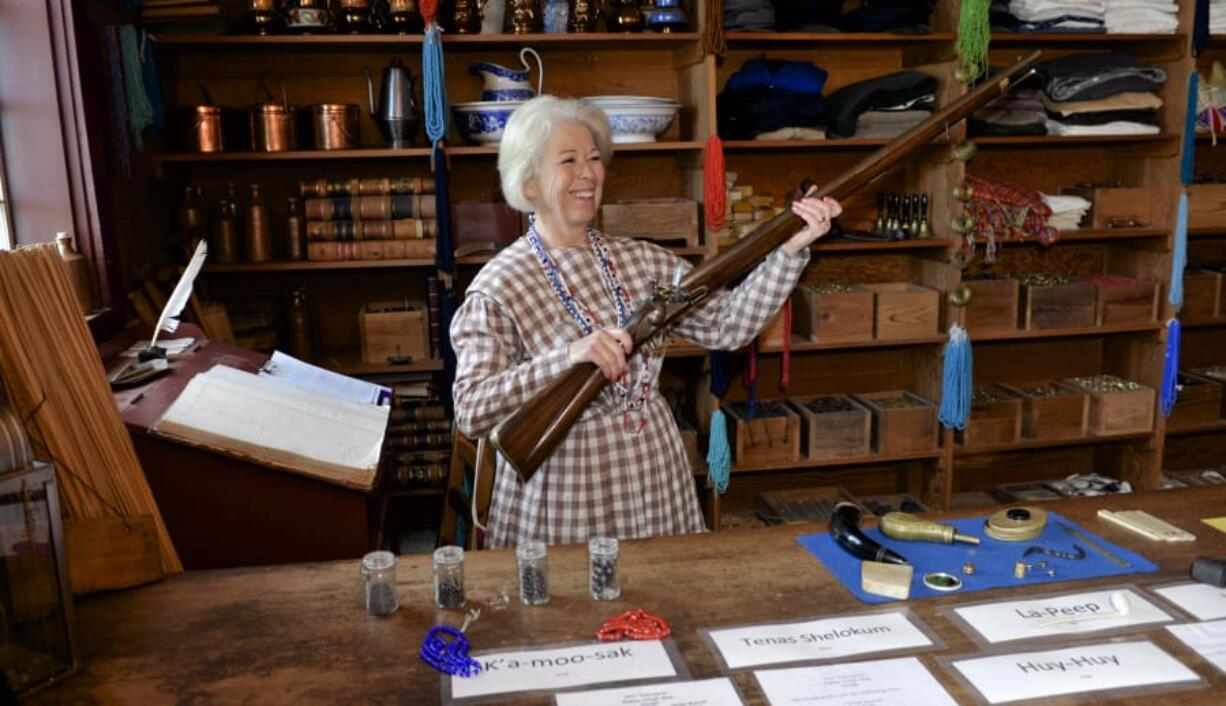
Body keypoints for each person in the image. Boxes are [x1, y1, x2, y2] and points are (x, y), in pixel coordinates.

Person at [451, 95, 841, 548]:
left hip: (655, 478)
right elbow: (473, 408)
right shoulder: (498, 285)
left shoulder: (641, 260)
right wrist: (568, 358)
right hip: (564, 496)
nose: (588, 173)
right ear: (529, 181)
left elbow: (729, 326)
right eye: (569, 160)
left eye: (595, 159)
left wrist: (790, 250)